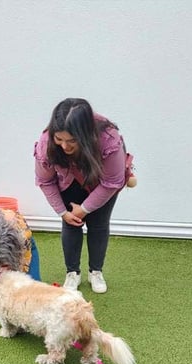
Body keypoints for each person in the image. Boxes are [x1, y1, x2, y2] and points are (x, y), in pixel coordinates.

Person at [34, 98, 129, 293]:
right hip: (68, 181)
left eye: (72, 141)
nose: (65, 147)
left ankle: (96, 271)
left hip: (102, 183)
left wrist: (85, 208)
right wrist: (62, 212)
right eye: (59, 140)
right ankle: (72, 273)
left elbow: (111, 182)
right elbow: (45, 181)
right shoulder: (46, 143)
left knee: (99, 224)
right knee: (71, 223)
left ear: (85, 135)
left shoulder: (108, 139)